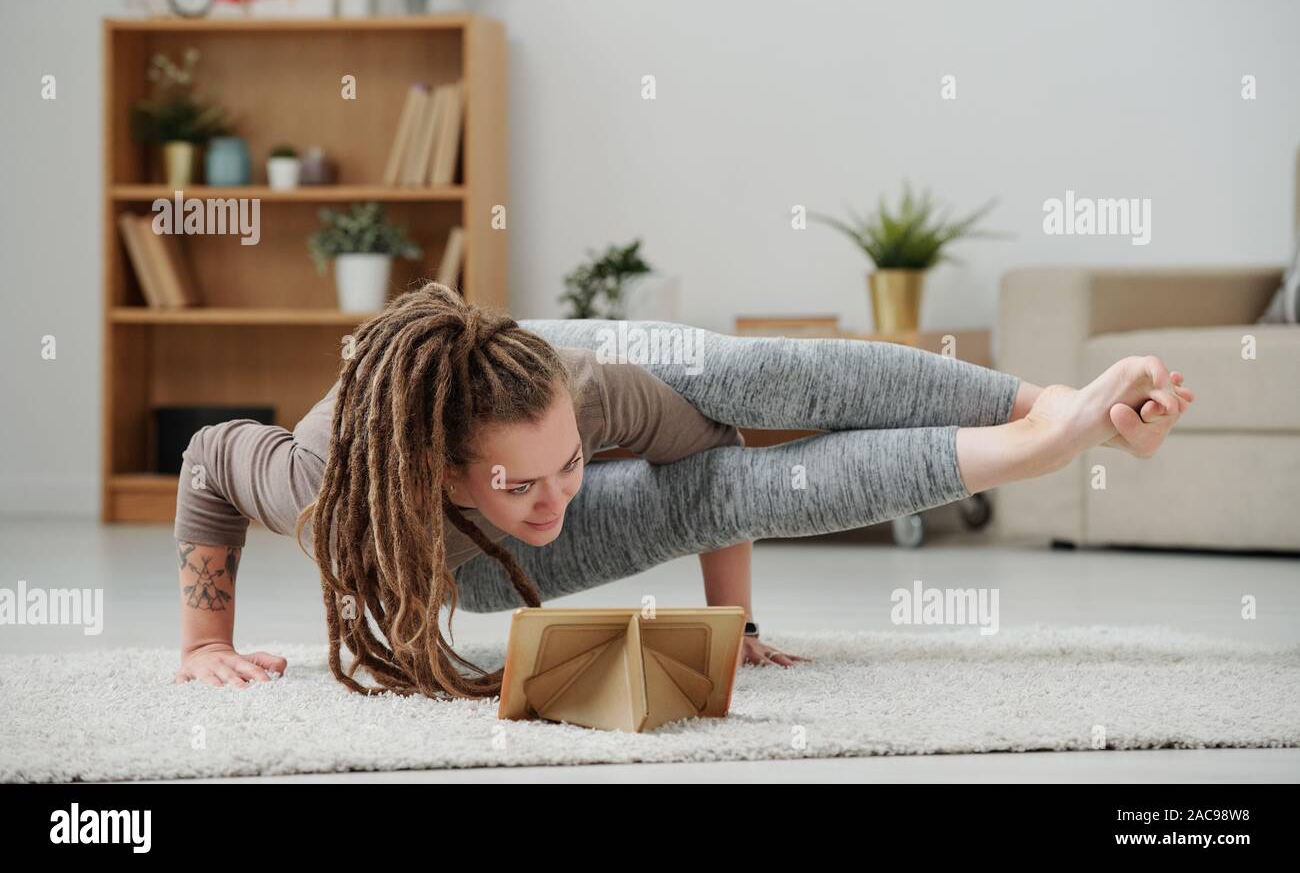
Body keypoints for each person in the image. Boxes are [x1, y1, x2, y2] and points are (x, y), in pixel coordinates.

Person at [172, 281, 1193, 698]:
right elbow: (207, 459)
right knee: (689, 489)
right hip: (474, 569)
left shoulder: (590, 394)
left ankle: (1045, 416)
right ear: (442, 472)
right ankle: (1045, 441)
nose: (557, 494)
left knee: (735, 381)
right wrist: (203, 640)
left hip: (553, 385)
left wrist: (731, 621)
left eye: (568, 464)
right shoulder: (318, 480)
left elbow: (718, 463)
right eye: (520, 482)